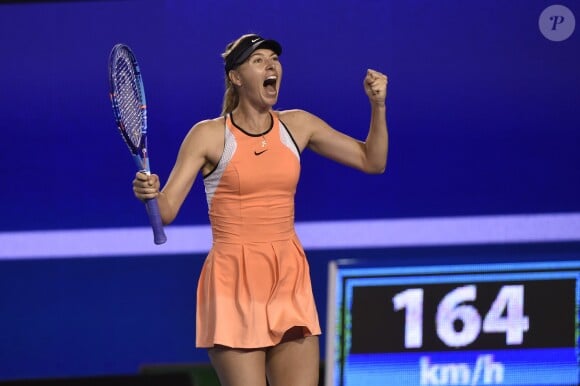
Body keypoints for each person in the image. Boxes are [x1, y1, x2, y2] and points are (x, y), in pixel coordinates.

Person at [132, 33, 388, 386]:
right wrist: (150, 195)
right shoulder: (207, 136)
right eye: (258, 60)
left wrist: (378, 107)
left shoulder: (298, 125)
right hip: (232, 282)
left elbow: (371, 160)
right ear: (235, 77)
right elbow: (168, 208)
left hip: (289, 277)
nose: (271, 65)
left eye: (274, 59)